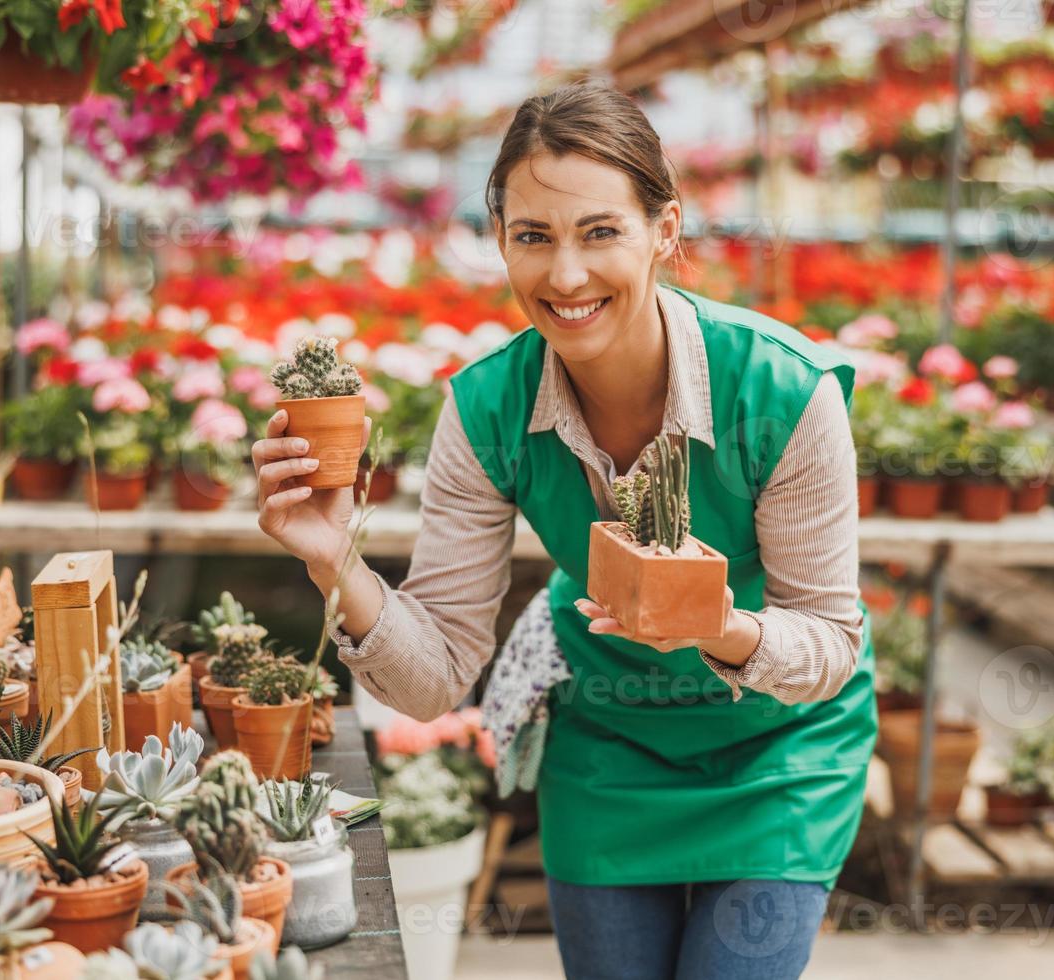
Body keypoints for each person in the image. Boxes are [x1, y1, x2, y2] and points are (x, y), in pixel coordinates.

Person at [254, 81, 877, 979]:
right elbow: (433, 681)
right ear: (501, 239)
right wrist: (334, 559)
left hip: (781, 751)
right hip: (610, 744)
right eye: (533, 237)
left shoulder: (782, 395)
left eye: (600, 232)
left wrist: (716, 625)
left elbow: (827, 644)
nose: (567, 276)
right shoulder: (486, 410)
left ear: (664, 230)